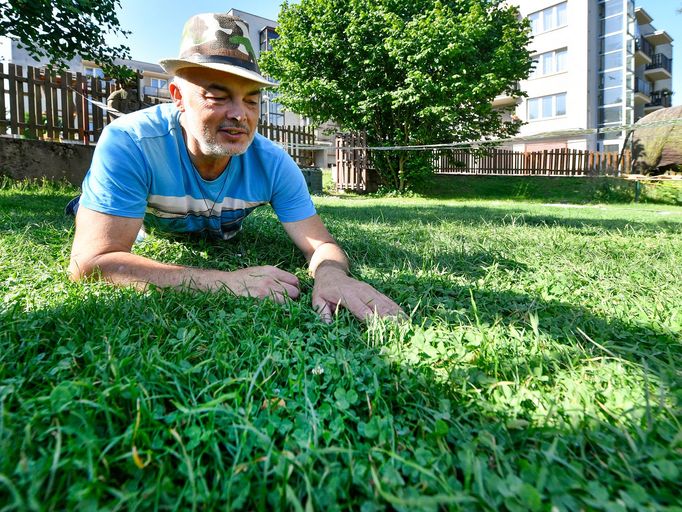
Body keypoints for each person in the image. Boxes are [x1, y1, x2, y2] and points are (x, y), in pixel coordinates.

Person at [68, 13, 403, 323]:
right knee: (94, 215)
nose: (240, 114)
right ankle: (84, 204)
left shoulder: (273, 163)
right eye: (218, 96)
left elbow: (320, 245)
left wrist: (332, 274)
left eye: (252, 100)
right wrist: (225, 282)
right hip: (141, 214)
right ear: (178, 97)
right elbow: (92, 262)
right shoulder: (131, 143)